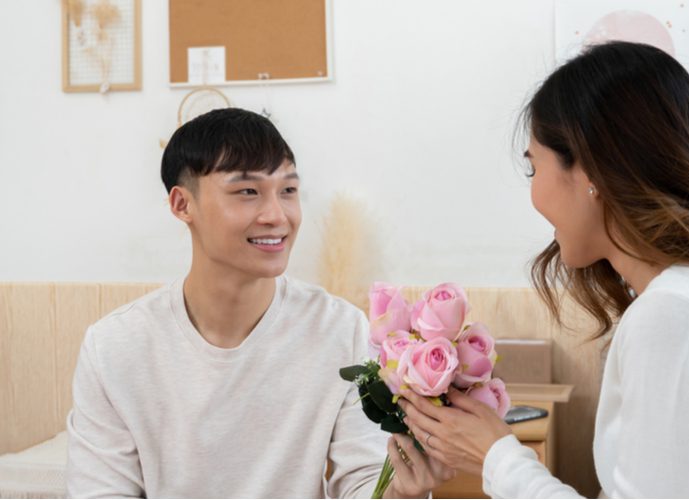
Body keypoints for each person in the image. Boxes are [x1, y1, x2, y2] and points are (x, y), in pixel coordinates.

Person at [399, 41, 689, 498]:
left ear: (589, 172)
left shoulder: (676, 314)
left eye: (535, 169)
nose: (535, 198)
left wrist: (499, 458)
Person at [66, 108, 452, 498]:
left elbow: (364, 481)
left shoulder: (342, 330)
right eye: (247, 192)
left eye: (288, 191)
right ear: (182, 205)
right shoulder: (114, 347)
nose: (277, 215)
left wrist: (403, 491)